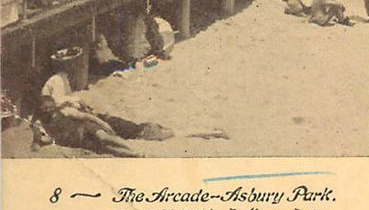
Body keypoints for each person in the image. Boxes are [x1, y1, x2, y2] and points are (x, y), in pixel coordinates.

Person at [35, 55, 227, 157]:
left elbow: (82, 115)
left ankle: (208, 131)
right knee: (157, 132)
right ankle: (209, 131)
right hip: (105, 121)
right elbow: (86, 116)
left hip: (105, 121)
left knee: (157, 132)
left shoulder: (60, 106)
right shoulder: (64, 106)